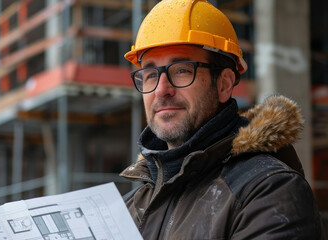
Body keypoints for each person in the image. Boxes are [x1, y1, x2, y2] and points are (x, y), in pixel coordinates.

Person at [119, 0, 324, 239]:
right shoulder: (132, 207)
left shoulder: (269, 192)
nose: (161, 90)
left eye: (182, 69)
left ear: (224, 84)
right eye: (151, 74)